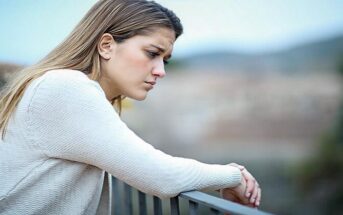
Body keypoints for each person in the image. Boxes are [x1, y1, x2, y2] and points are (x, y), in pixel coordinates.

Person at [0, 0, 261, 214]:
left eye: (165, 61)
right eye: (151, 53)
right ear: (106, 45)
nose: (160, 71)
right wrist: (233, 175)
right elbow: (160, 175)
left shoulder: (62, 87)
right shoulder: (65, 88)